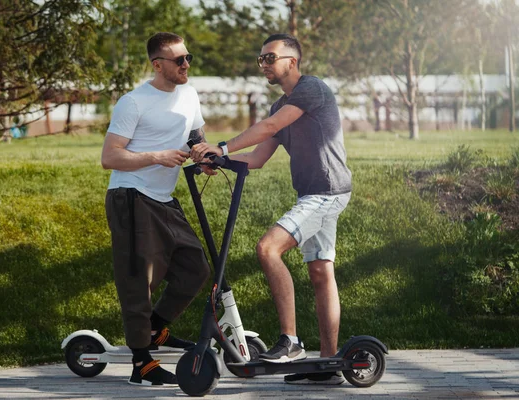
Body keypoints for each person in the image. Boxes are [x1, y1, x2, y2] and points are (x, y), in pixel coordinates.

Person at [191, 33, 352, 385]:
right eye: (261, 59)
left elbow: (269, 128)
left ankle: (290, 343)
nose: (264, 64)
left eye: (270, 58)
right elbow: (259, 159)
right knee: (322, 272)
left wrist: (221, 145)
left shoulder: (311, 89)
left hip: (327, 192)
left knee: (267, 248)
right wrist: (219, 160)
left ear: (291, 62)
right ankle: (328, 366)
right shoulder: (281, 106)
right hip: (313, 193)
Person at [101, 32, 213, 387]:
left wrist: (203, 154)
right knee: (139, 280)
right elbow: (109, 157)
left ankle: (154, 328)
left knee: (195, 267)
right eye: (178, 60)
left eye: (188, 57)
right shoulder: (133, 102)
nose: (185, 65)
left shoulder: (190, 94)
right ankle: (141, 363)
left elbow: (195, 135)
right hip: (130, 196)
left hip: (163, 198)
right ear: (157, 64)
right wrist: (157, 156)